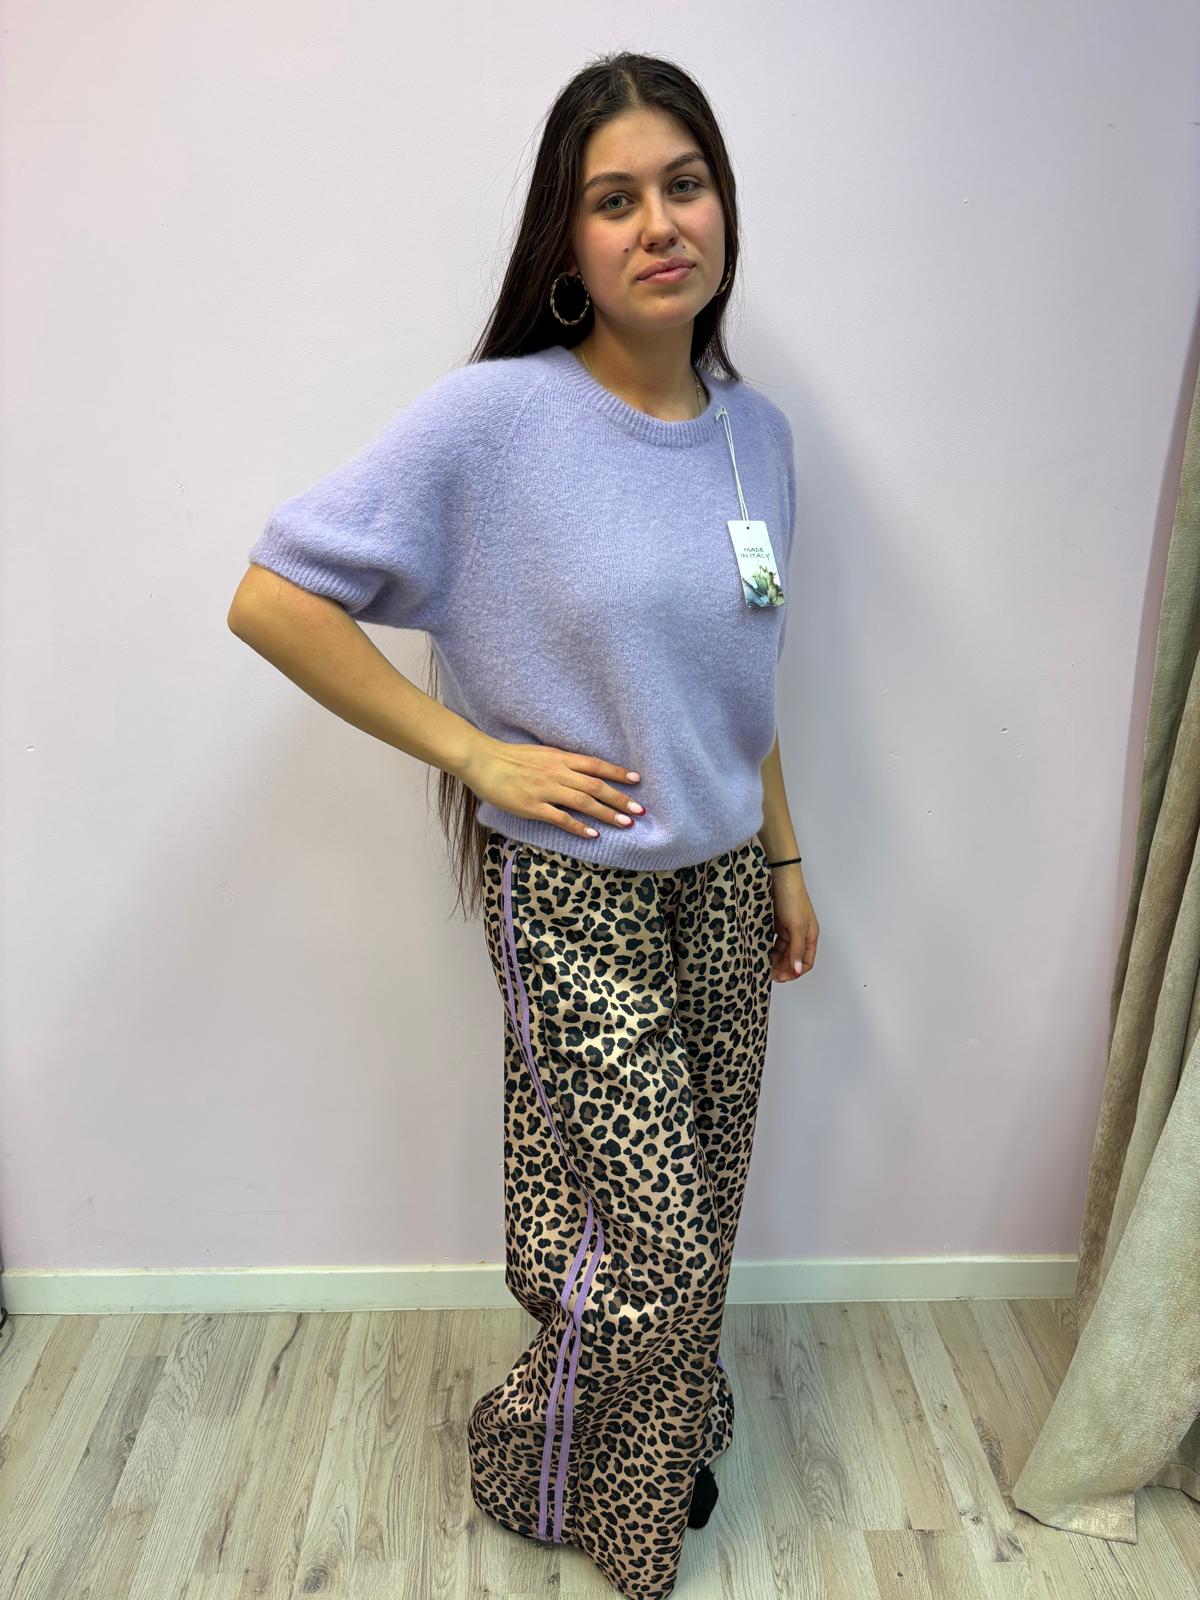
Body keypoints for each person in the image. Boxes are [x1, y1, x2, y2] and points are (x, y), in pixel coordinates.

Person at [228, 48, 820, 1600]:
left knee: (701, 1214)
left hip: (719, 888)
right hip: (576, 895)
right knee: (649, 1239)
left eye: (683, 185)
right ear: (567, 239)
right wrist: (476, 756)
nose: (658, 224)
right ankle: (537, 1463)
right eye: (614, 200)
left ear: (724, 206)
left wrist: (783, 856)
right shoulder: (498, 422)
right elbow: (274, 598)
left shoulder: (758, 437)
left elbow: (743, 676)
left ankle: (657, 1429)